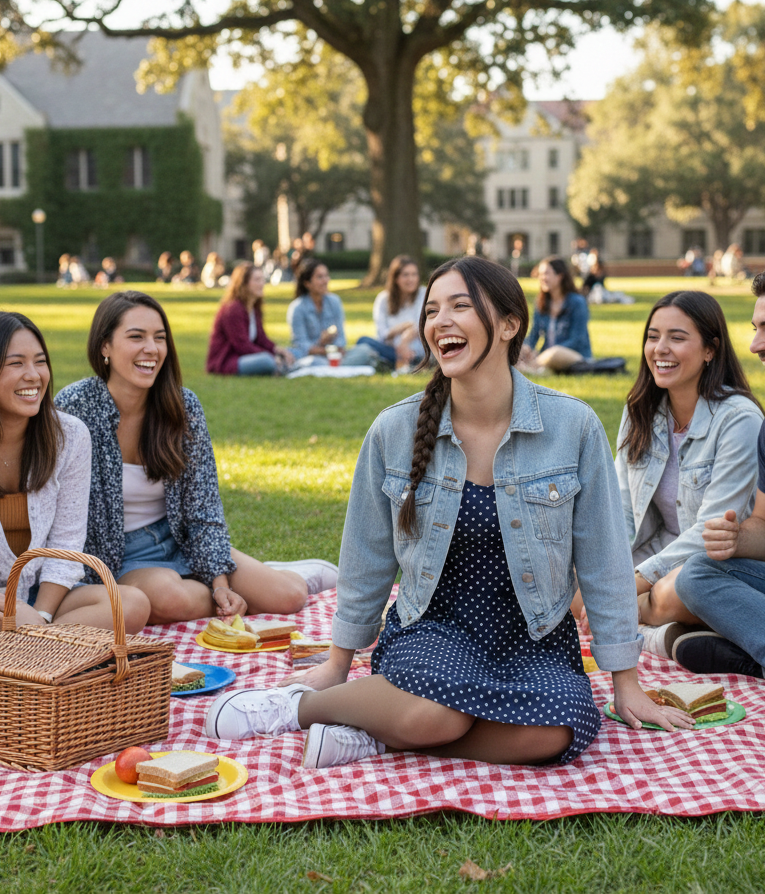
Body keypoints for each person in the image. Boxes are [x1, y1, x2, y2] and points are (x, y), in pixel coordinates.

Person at [203, 257, 693, 769]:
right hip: (433, 629)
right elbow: (367, 556)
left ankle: (379, 735)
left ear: (508, 324)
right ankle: (302, 707)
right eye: (432, 310)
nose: (440, 321)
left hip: (533, 635)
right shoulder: (394, 430)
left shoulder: (574, 426)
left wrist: (626, 681)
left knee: (560, 727)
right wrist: (336, 663)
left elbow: (605, 559)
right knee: (438, 712)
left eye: (461, 306)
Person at [54, 291, 338, 625]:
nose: (152, 349)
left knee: (289, 598)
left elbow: (203, 507)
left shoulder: (183, 406)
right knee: (170, 597)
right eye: (136, 337)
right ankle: (213, 585)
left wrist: (219, 584)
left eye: (159, 338)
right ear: (105, 346)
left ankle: (272, 575)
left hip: (179, 537)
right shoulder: (75, 407)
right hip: (118, 556)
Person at [604, 291, 763, 658]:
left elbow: (713, 528)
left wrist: (637, 583)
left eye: (677, 338)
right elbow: (622, 510)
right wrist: (610, 572)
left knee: (678, 590)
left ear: (710, 350)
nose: (660, 348)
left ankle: (648, 632)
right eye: (653, 336)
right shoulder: (639, 411)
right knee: (576, 583)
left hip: (717, 562)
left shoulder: (738, 419)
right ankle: (667, 631)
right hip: (660, 548)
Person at [0, 312, 150, 633]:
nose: (34, 375)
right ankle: (49, 651)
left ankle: (33, 648)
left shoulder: (68, 436)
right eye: (16, 364)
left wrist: (40, 616)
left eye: (40, 362)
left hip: (41, 597)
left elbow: (66, 543)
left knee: (132, 605)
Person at [673, 269, 765, 677]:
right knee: (698, 573)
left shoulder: (740, 418)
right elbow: (764, 525)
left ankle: (747, 654)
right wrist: (738, 537)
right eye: (755, 328)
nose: (755, 344)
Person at [206, 263, 295, 377]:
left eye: (262, 279)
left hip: (246, 356)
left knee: (291, 352)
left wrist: (279, 350)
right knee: (267, 361)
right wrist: (272, 356)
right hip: (227, 361)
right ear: (243, 283)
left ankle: (283, 365)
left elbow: (262, 339)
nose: (262, 284)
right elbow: (242, 346)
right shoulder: (233, 309)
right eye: (257, 280)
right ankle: (280, 366)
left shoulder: (253, 307)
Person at [287, 259, 375, 367]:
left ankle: (336, 366)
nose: (325, 281)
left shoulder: (334, 301)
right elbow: (301, 345)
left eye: (326, 276)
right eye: (320, 277)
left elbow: (341, 339)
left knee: (364, 350)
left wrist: (334, 349)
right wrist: (321, 343)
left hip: (335, 356)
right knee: (310, 361)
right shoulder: (297, 308)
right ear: (307, 283)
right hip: (312, 357)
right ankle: (337, 366)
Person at [516, 256, 591, 373]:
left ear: (560, 276)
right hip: (545, 357)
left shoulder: (577, 302)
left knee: (555, 353)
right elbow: (534, 335)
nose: (542, 278)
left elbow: (577, 340)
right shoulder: (541, 303)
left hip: (573, 355)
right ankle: (534, 367)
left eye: (546, 274)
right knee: (519, 351)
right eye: (540, 274)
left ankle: (533, 367)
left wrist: (548, 353)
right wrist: (526, 348)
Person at [355, 256, 426, 371]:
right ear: (396, 278)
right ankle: (396, 362)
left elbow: (420, 325)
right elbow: (382, 334)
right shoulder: (383, 299)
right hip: (391, 349)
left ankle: (397, 362)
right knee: (363, 341)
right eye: (406, 275)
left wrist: (404, 343)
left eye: (414, 274)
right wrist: (401, 328)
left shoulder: (423, 294)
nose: (411, 279)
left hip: (416, 350)